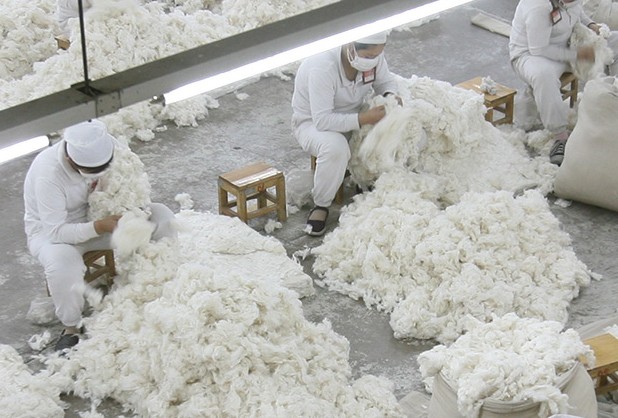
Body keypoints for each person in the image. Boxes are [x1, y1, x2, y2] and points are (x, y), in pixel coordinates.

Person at [23, 119, 176, 351]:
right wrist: (99, 226)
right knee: (61, 265)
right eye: (92, 171)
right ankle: (71, 327)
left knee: (162, 216)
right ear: (70, 159)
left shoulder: (109, 147)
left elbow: (131, 182)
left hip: (102, 214)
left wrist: (131, 209)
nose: (97, 174)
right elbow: (56, 230)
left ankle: (165, 283)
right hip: (55, 233)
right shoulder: (48, 173)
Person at [291, 32, 401, 236]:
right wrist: (364, 119)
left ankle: (364, 179)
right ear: (350, 47)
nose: (373, 60)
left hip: (355, 115)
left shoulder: (372, 58)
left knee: (389, 127)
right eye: (368, 56)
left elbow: (386, 82)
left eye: (378, 54)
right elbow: (322, 120)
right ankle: (321, 205)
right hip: (313, 124)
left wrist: (390, 97)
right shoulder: (322, 67)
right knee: (335, 148)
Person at [509, 0, 618, 166]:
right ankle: (560, 136)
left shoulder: (572, 1)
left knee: (615, 41)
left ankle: (614, 93)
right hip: (532, 56)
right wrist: (577, 55)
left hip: (567, 45)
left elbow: (577, 12)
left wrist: (591, 25)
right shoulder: (537, 7)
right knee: (543, 76)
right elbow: (538, 49)